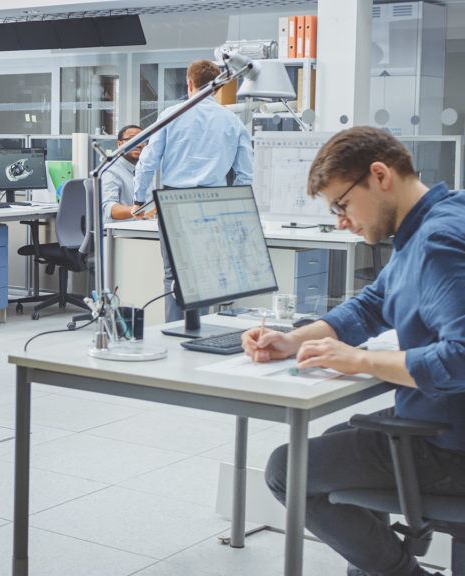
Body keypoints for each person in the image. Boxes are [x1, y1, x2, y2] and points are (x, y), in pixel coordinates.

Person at [242, 126, 465, 576]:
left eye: (341, 205)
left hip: (450, 448)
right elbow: (373, 304)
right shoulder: (438, 218)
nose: (341, 220)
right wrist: (292, 341)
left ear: (379, 175)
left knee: (288, 469)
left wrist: (360, 360)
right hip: (444, 427)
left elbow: (460, 359)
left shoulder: (436, 243)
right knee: (330, 443)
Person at [132, 59, 253, 321]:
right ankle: (201, 332)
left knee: (174, 274)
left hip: (175, 200)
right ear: (217, 87)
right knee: (208, 273)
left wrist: (138, 198)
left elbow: (148, 160)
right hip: (214, 202)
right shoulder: (232, 121)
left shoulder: (171, 115)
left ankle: (176, 335)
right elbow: (245, 174)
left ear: (189, 83)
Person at [100, 124, 145, 222]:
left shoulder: (145, 169)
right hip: (119, 232)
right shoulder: (110, 170)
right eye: (132, 140)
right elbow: (109, 208)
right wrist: (136, 211)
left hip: (144, 227)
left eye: (143, 140)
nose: (139, 144)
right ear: (120, 144)